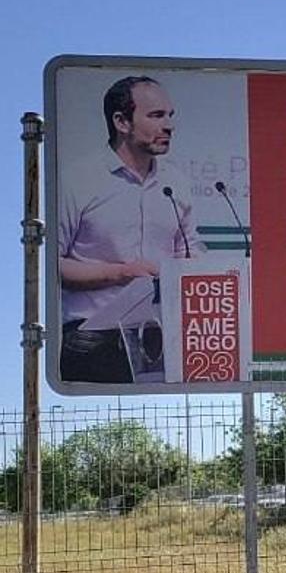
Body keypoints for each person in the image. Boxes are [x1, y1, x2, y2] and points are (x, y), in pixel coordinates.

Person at [59, 75, 205, 383]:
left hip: (162, 336)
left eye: (170, 115)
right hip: (91, 338)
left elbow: (189, 250)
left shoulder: (176, 183)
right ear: (121, 122)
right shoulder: (77, 180)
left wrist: (196, 268)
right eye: (156, 115)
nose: (169, 126)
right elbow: (51, 265)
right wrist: (121, 273)